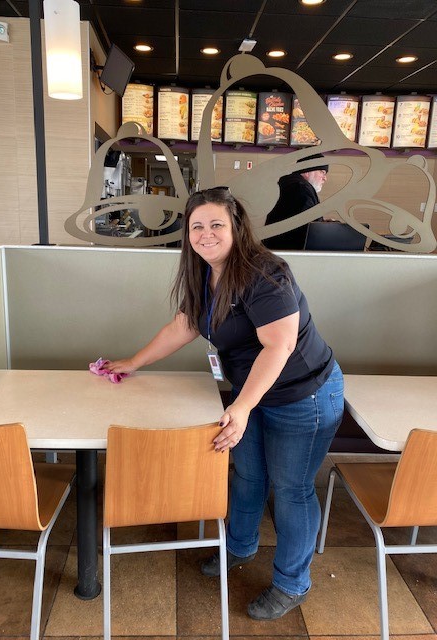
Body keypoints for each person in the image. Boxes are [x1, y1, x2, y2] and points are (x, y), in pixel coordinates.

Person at [103, 187, 344, 621]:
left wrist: (244, 406)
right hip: (250, 396)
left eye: (216, 224)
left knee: (291, 491)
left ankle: (292, 584)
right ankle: (239, 547)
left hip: (302, 395)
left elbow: (279, 346)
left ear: (236, 228)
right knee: (248, 475)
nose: (206, 234)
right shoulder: (202, 271)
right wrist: (133, 362)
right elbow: (185, 324)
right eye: (197, 226)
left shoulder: (264, 273)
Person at [263, 153, 329, 250]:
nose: (325, 178)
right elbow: (307, 228)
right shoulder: (300, 189)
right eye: (322, 172)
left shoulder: (290, 185)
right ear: (307, 171)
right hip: (291, 254)